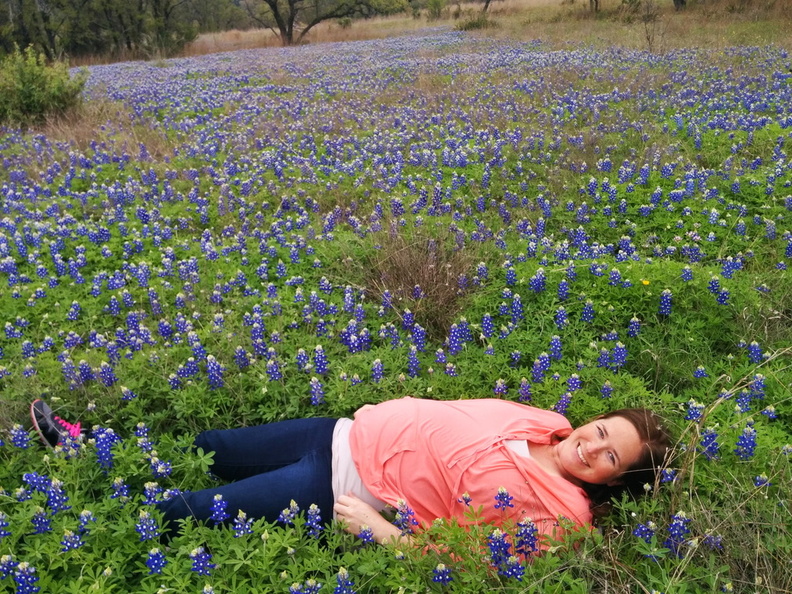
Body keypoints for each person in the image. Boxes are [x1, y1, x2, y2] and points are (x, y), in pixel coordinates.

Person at [30, 396, 672, 547]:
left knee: (189, 512)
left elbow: (480, 560)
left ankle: (83, 519)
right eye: (602, 431)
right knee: (204, 445)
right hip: (340, 434)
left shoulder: (564, 516)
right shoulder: (549, 422)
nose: (591, 446)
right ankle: (83, 451)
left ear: (613, 481)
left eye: (610, 456)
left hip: (340, 489)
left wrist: (380, 531)